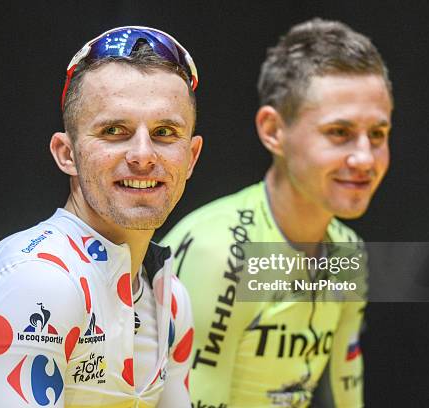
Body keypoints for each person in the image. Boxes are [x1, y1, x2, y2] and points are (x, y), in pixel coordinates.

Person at [0, 26, 202, 407]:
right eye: (114, 130)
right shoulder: (40, 279)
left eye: (164, 132)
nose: (143, 155)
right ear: (66, 153)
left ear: (191, 157)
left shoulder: (170, 296)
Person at [162, 18, 392, 407]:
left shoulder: (348, 255)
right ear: (273, 131)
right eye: (339, 132)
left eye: (378, 134)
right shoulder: (220, 253)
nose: (364, 158)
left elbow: (345, 398)